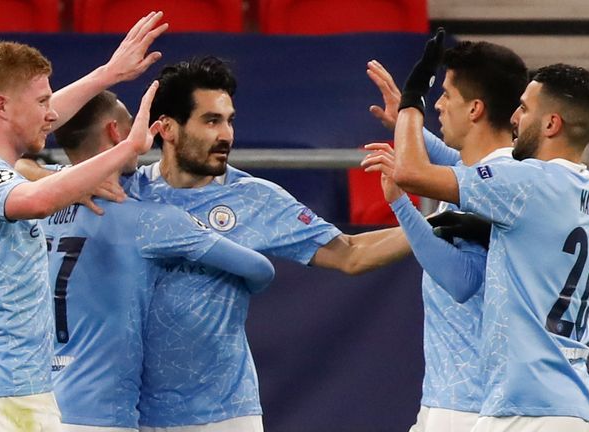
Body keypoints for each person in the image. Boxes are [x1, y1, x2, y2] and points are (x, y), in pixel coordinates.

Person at [127, 56, 414, 432]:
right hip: (133, 413)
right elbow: (32, 180)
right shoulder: (126, 192)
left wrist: (438, 225)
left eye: (229, 120)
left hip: (226, 416)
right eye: (211, 121)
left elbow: (352, 254)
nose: (226, 135)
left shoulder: (255, 198)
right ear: (167, 128)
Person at [363, 30, 589, 431]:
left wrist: (412, 102)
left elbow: (414, 173)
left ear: (551, 123)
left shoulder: (526, 184)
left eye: (525, 110)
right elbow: (474, 168)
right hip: (571, 400)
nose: (515, 117)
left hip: (527, 407)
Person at [0, 12, 168, 431]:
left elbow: (36, 146)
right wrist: (126, 147)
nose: (51, 115)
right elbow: (38, 200)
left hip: (16, 388)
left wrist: (108, 74)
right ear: (2, 106)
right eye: (41, 102)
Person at [40, 90, 275, 432]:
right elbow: (260, 269)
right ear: (116, 132)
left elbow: (17, 165)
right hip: (102, 413)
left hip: (42, 404)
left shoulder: (35, 205)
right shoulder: (150, 220)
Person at [363, 40, 528, 431]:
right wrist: (405, 124)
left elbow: (461, 281)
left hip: (466, 405)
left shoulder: (493, 183)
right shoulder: (500, 173)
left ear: (475, 109)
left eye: (446, 95)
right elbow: (456, 163)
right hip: (469, 398)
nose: (437, 105)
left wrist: (401, 204)